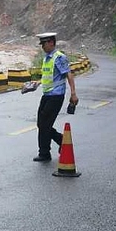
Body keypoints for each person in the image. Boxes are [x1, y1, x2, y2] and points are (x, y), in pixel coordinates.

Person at [31, 32, 78, 162]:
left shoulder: (59, 57)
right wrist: (38, 82)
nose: (42, 47)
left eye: (44, 43)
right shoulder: (47, 58)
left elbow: (68, 74)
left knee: (45, 124)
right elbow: (49, 77)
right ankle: (60, 141)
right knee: (41, 124)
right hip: (47, 95)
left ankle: (44, 153)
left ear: (51, 42)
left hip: (56, 96)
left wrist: (73, 93)